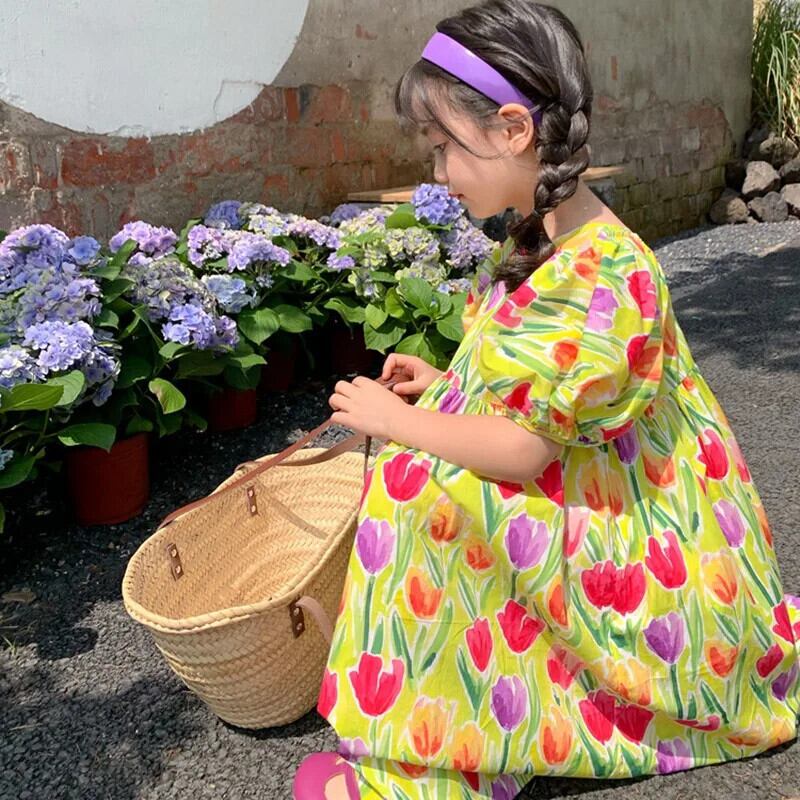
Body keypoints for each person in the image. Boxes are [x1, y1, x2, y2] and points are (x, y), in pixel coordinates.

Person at [292, 1, 800, 797]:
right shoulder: (546, 236)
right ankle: (472, 726)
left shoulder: (601, 275)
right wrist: (442, 386)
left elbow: (527, 449)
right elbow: (531, 396)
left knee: (416, 489)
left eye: (443, 148)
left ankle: (439, 764)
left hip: (641, 540)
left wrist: (402, 421)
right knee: (423, 468)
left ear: (512, 129)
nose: (439, 173)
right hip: (601, 487)